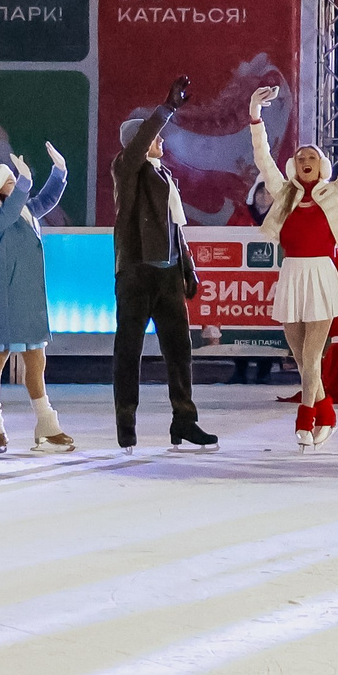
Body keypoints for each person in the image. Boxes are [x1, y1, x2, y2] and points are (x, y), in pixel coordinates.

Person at [249, 83, 338, 449]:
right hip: (292, 274)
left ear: (320, 165)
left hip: (322, 275)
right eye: (300, 157)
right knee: (299, 355)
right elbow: (262, 157)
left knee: (311, 356)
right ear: (294, 165)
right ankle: (327, 411)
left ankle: (305, 417)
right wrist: (255, 115)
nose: (306, 161)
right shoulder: (284, 192)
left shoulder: (334, 192)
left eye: (312, 157)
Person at [112, 74, 218, 453]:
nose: (160, 140)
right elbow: (139, 145)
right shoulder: (126, 169)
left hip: (168, 272)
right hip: (137, 271)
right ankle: (126, 422)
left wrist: (187, 267)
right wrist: (167, 107)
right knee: (129, 350)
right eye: (153, 136)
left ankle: (184, 422)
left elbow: (175, 227)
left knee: (179, 352)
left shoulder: (163, 175)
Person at [0, 140, 75, 452]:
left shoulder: (27, 210)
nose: (18, 185)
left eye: (16, 180)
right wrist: (25, 182)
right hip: (4, 297)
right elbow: (7, 216)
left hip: (30, 297)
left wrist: (59, 172)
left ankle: (46, 424)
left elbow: (47, 198)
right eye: (11, 181)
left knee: (37, 360)